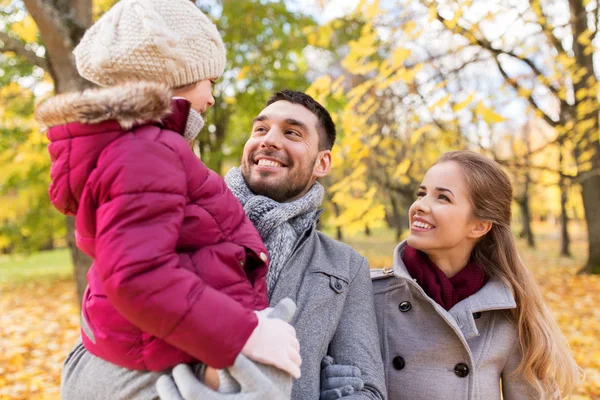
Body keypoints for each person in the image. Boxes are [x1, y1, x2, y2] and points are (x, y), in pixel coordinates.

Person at [34, 0, 300, 398]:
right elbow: (137, 275)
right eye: (209, 81)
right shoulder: (147, 150)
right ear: (176, 77)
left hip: (162, 338)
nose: (211, 98)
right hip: (155, 348)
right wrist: (245, 334)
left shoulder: (146, 146)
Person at [157, 90, 387, 400]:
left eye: (292, 132)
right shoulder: (175, 227)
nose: (269, 140)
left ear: (323, 162)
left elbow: (370, 390)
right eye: (261, 129)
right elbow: (86, 367)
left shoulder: (346, 265)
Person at [366, 151, 580, 399]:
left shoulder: (507, 310)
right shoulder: (372, 294)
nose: (419, 206)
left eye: (442, 198)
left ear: (479, 226)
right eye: (422, 194)